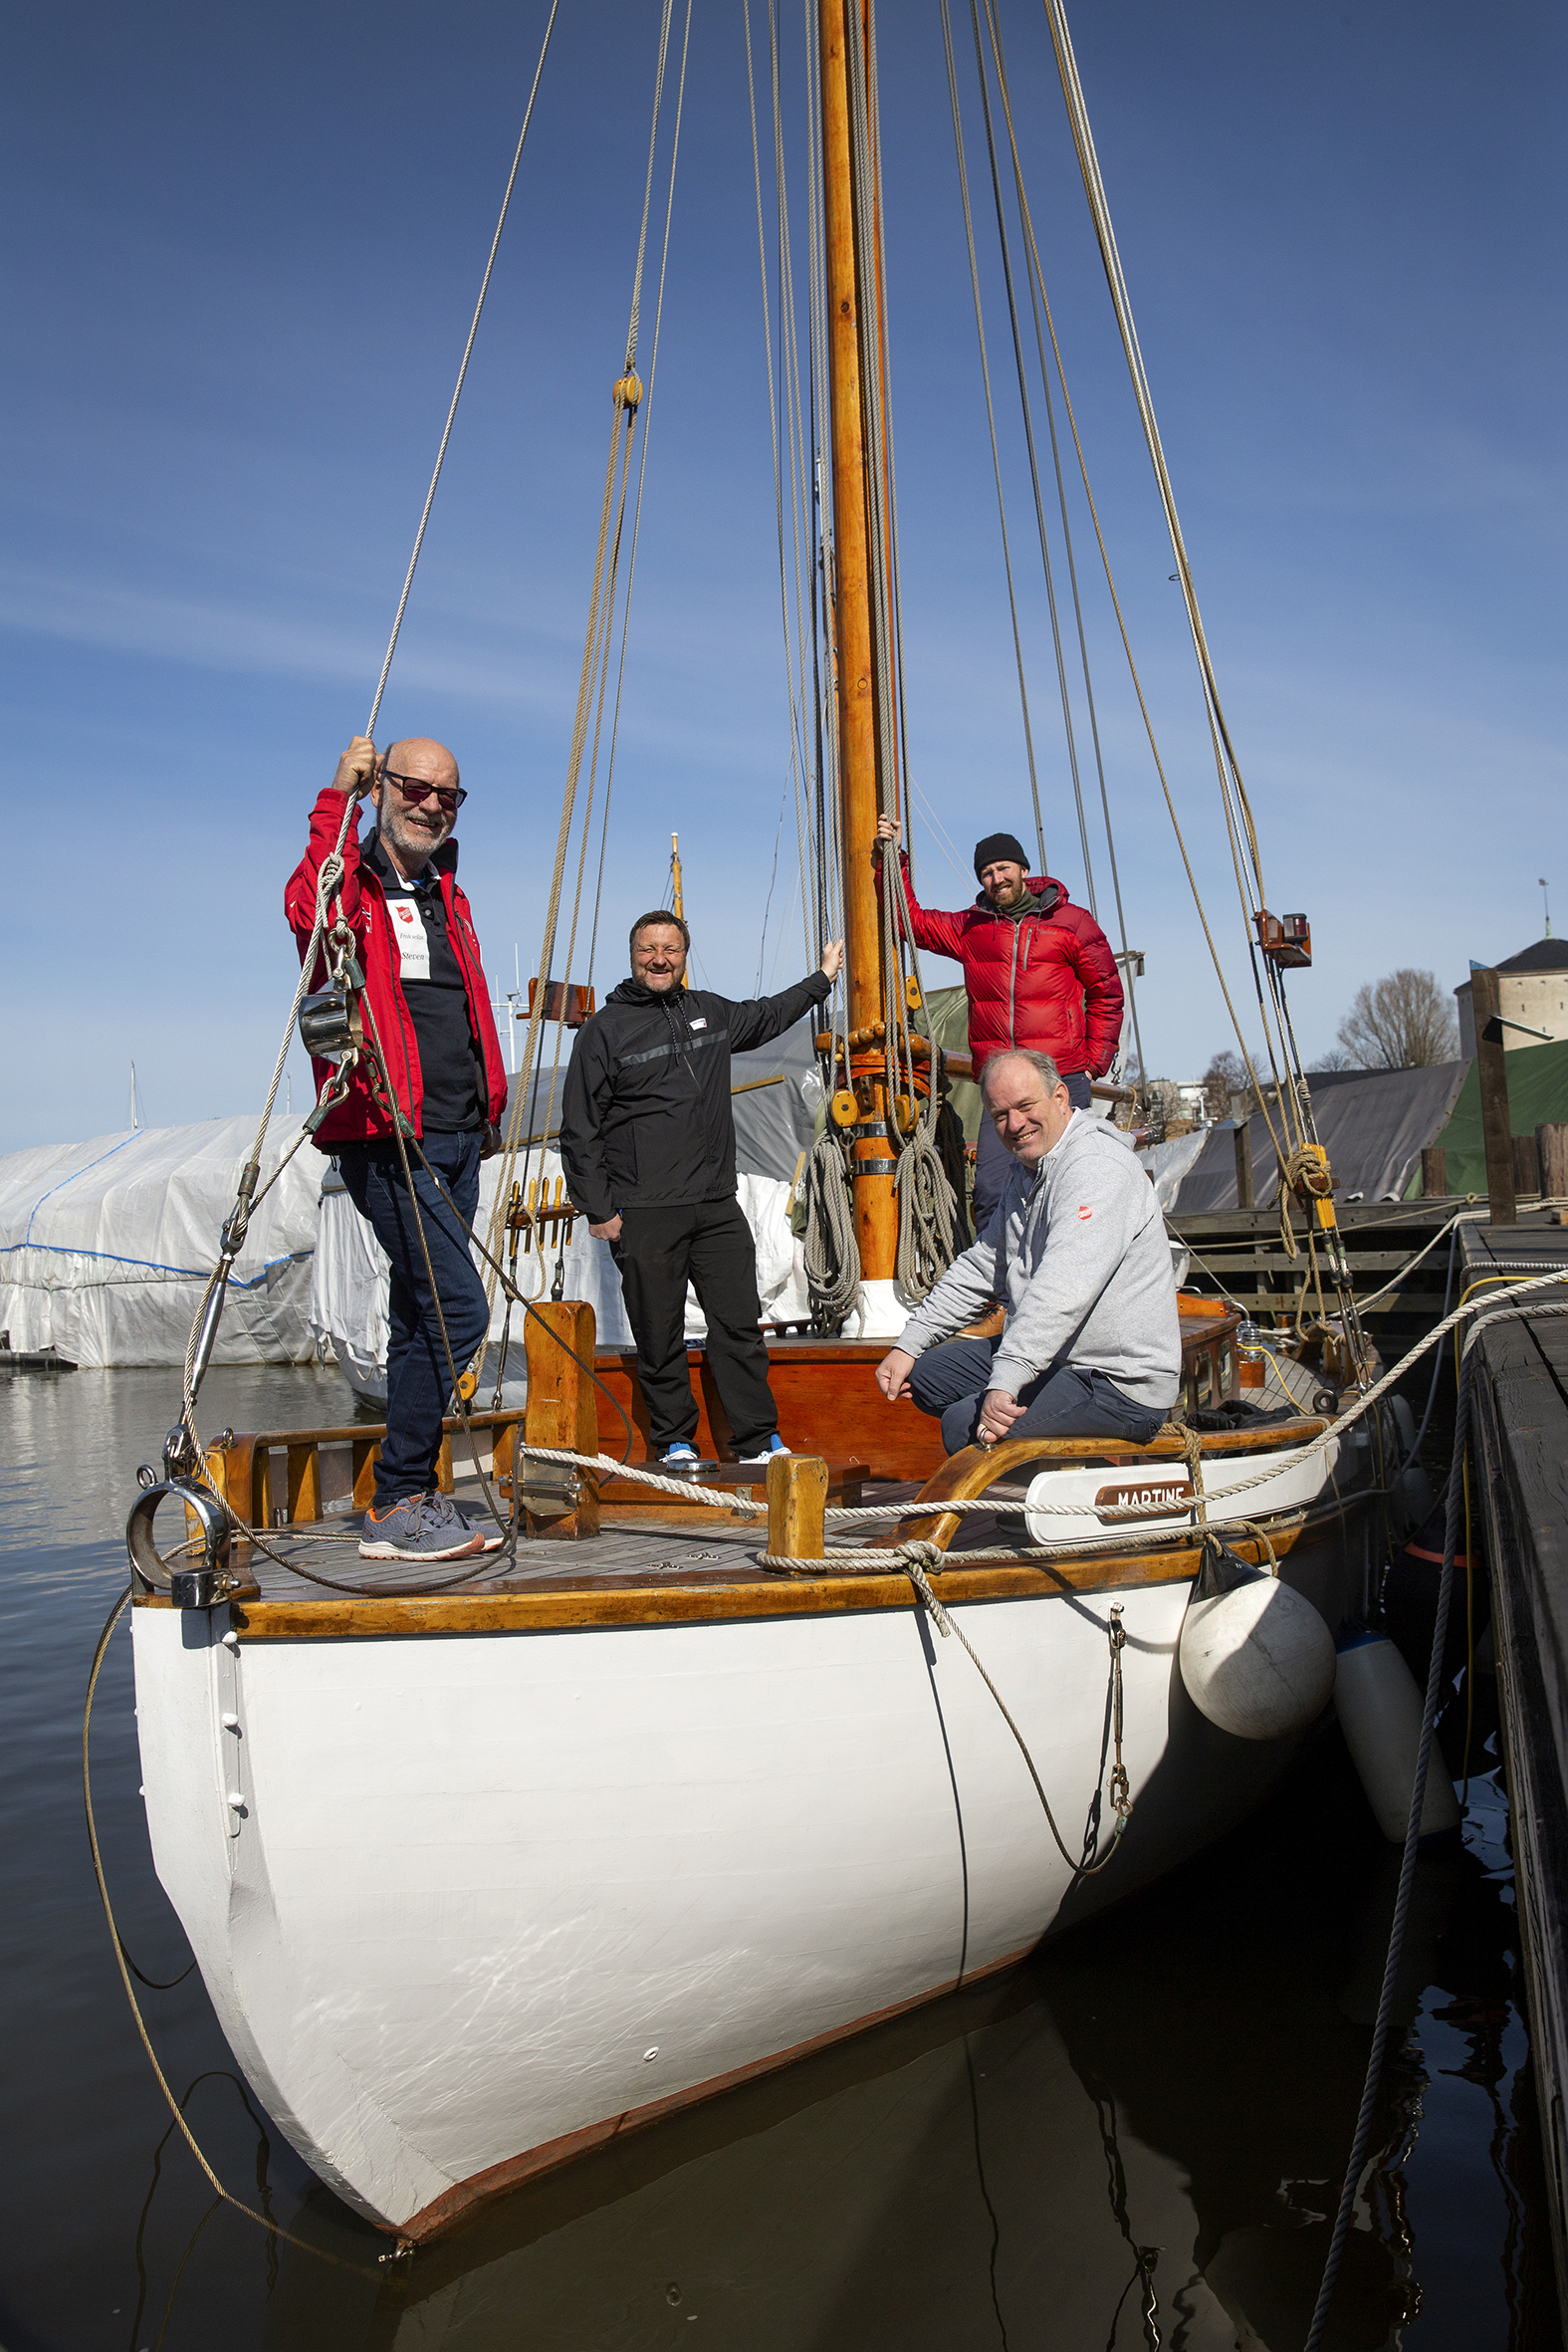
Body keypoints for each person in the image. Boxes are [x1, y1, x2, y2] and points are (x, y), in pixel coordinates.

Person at [287, 733, 509, 1562]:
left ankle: (401, 1501)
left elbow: (461, 1007)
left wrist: (488, 1104)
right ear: (383, 786)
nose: (430, 804)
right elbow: (308, 913)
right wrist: (333, 800)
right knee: (459, 1309)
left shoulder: (449, 893)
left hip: (456, 1136)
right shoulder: (354, 883)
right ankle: (400, 1496)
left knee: (421, 1317)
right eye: (414, 787)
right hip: (386, 1136)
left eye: (447, 795)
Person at [560, 913, 843, 1466]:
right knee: (658, 1332)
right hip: (644, 1210)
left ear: (684, 954)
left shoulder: (710, 1013)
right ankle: (674, 1442)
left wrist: (822, 979)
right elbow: (580, 1125)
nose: (659, 958)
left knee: (738, 1327)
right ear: (633, 954)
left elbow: (766, 1016)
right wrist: (597, 1207)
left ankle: (758, 1441)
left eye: (670, 948)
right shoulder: (606, 1029)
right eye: (648, 949)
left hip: (715, 1205)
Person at [875, 1050, 1178, 1455]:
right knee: (926, 1375)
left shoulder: (1097, 1167)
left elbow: (1061, 1292)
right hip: (1058, 1360)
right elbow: (985, 1265)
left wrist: (1007, 1380)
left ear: (1060, 1097)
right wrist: (910, 1341)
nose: (1014, 1124)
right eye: (1000, 1115)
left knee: (960, 1424)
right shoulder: (1029, 1172)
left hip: (1116, 1381)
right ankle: (1048, 1459)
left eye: (1024, 1106)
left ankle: (1052, 1506)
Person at [873, 814, 1123, 1233]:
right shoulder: (972, 929)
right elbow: (907, 921)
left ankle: (1073, 1285)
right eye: (987, 873)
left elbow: (1106, 991)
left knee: (1071, 1186)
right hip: (1003, 1082)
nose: (996, 878)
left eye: (1004, 868)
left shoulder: (1072, 922)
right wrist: (892, 858)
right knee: (991, 1192)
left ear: (1024, 870)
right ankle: (1003, 1292)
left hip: (1060, 1075)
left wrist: (1093, 1061)